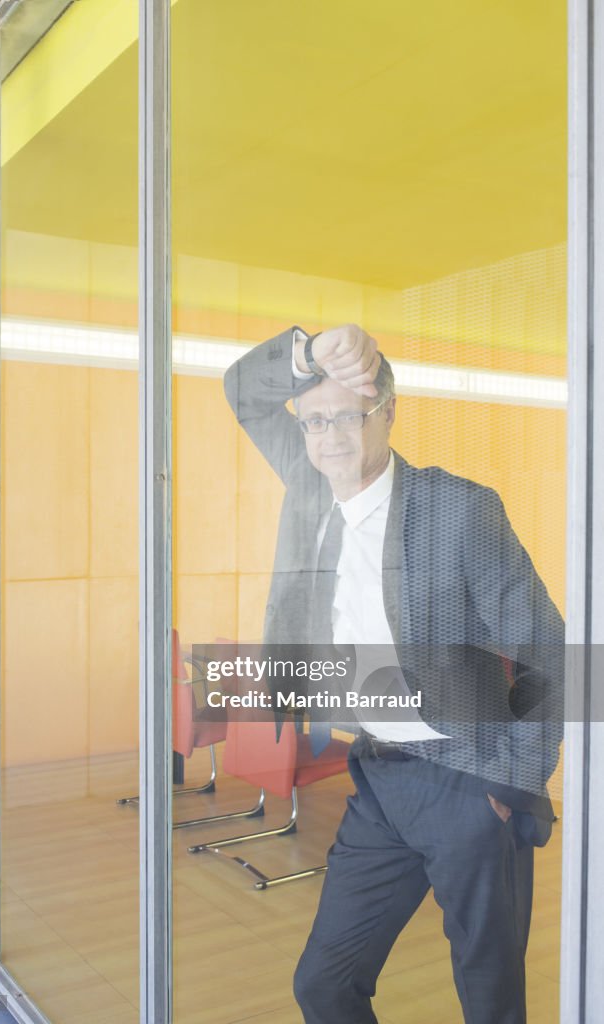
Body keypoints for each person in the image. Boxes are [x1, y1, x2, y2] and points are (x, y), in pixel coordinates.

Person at [223, 324, 564, 1024]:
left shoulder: (460, 510)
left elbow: (546, 649)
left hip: (467, 781)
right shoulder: (310, 482)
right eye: (315, 420)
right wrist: (309, 354)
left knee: (489, 997)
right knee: (324, 984)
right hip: (379, 777)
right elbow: (243, 394)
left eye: (348, 414)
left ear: (387, 412)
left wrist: (510, 783)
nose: (329, 436)